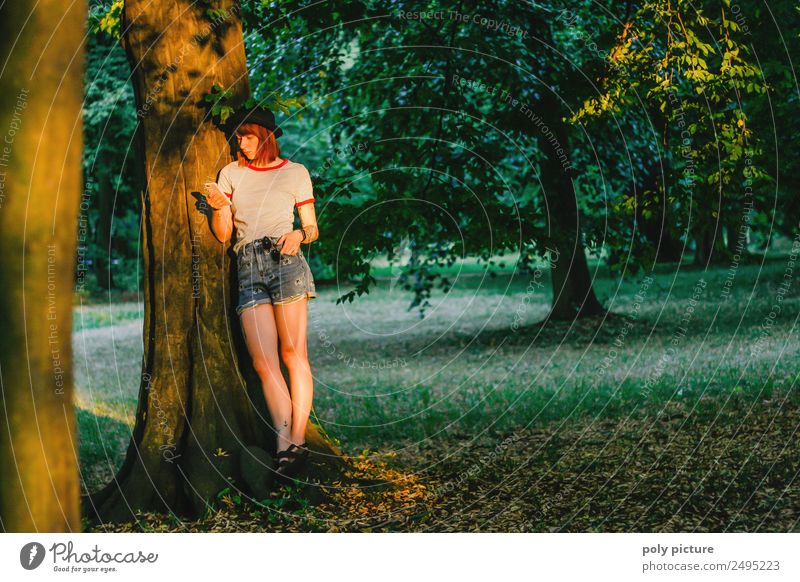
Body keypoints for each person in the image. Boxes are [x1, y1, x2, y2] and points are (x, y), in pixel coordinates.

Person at [204, 105, 318, 480]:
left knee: (291, 352)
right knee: (263, 362)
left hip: (285, 261)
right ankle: (284, 444)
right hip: (247, 264)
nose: (242, 143)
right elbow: (223, 234)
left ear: (265, 136)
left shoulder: (295, 172)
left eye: (248, 136)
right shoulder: (231, 173)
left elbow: (312, 228)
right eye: (239, 136)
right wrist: (221, 207)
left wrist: (299, 235)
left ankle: (296, 441)